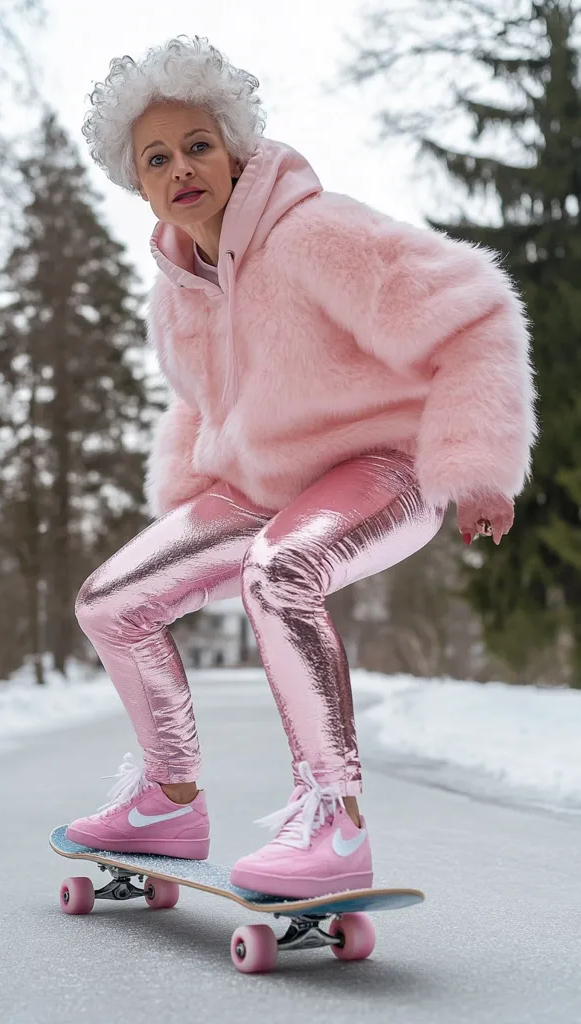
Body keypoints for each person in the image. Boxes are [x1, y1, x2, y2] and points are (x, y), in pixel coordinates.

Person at [66, 36, 536, 898]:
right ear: (136, 183)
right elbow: (198, 407)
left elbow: (478, 310)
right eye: (156, 158)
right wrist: (184, 499)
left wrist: (478, 464)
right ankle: (168, 800)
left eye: (198, 144)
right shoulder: (176, 295)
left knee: (280, 570)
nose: (181, 168)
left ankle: (333, 819)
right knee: (112, 601)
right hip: (257, 489)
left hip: (382, 469)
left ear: (235, 145)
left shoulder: (316, 234)